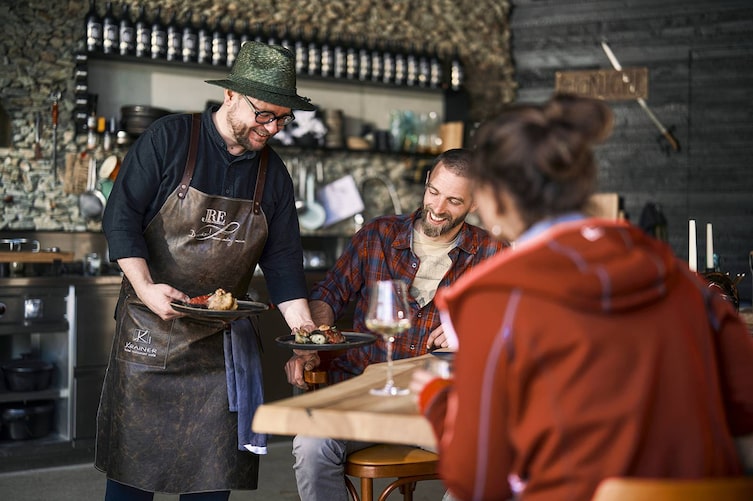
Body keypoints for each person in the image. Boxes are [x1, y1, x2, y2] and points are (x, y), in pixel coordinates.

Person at [410, 94, 753, 501]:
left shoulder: (493, 298)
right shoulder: (674, 272)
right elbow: (745, 405)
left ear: (490, 201)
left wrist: (438, 402)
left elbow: (477, 480)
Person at [96, 41, 320, 501]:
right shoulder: (168, 139)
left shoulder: (272, 174)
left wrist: (306, 334)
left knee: (212, 477)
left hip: (220, 351)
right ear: (232, 96)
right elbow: (121, 219)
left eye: (282, 119)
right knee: (132, 474)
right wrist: (145, 287)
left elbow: (282, 265)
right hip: (150, 332)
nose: (273, 128)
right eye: (265, 115)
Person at [285, 148, 507, 501]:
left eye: (453, 200)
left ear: (475, 204)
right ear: (426, 183)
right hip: (365, 394)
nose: (437, 207)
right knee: (311, 444)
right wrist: (310, 343)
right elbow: (328, 295)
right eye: (433, 192)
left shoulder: (493, 253)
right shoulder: (378, 236)